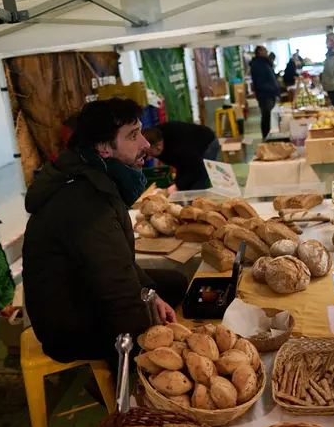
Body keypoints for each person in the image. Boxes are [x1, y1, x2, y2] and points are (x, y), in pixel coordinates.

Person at [22, 98, 188, 371]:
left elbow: (116, 262)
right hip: (68, 325)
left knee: (174, 284)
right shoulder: (83, 200)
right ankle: (116, 389)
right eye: (133, 136)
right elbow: (116, 290)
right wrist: (156, 347)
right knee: (153, 338)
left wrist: (150, 294)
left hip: (85, 289)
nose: (145, 144)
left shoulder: (97, 178)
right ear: (102, 147)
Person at [142, 122, 219, 193]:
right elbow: (181, 165)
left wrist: (177, 186)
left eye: (150, 154)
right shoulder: (153, 136)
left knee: (197, 186)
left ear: (159, 146)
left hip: (207, 142)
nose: (147, 158)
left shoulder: (180, 149)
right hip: (188, 150)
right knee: (184, 185)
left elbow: (195, 167)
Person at [250, 45, 280, 139]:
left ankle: (269, 136)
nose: (267, 52)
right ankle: (267, 137)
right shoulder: (258, 65)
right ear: (259, 52)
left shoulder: (264, 63)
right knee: (267, 117)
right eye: (265, 51)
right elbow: (260, 83)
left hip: (269, 94)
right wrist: (273, 88)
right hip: (265, 96)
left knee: (269, 117)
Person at [320, 32, 334, 106]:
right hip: (331, 85)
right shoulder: (330, 53)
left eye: (327, 41)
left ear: (333, 41)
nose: (326, 43)